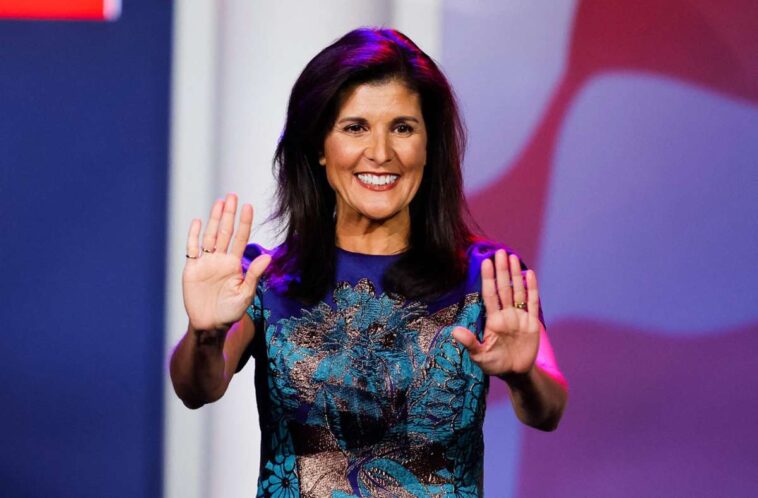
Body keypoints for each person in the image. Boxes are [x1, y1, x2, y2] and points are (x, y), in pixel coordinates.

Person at [170, 27, 567, 496]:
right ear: (320, 146)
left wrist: (523, 376)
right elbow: (199, 388)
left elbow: (548, 409)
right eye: (355, 127)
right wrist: (205, 334)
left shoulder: (489, 276)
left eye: (403, 128)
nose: (380, 153)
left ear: (429, 145)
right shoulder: (265, 279)